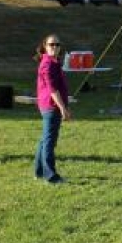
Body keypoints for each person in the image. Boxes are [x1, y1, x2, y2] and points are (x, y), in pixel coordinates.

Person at [34, 34, 72, 184]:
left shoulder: (54, 62)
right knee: (49, 141)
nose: (55, 47)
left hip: (52, 105)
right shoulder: (47, 64)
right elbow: (52, 89)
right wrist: (63, 108)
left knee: (45, 140)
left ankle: (39, 172)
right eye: (51, 44)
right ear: (45, 46)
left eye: (57, 44)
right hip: (51, 106)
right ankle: (51, 176)